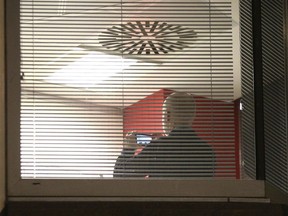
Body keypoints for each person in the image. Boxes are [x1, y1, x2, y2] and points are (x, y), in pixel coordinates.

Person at [114, 92, 215, 178]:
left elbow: (120, 175)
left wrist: (127, 150)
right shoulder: (208, 151)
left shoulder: (158, 148)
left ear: (168, 116)